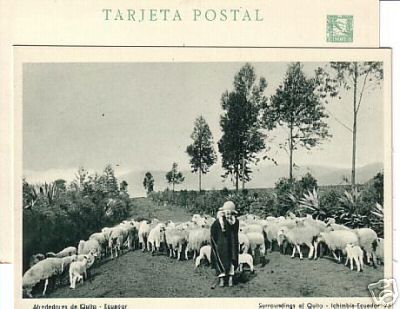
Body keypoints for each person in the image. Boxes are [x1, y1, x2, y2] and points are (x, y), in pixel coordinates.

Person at [210, 201, 239, 287]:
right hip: (222, 245)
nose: (228, 215)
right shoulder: (218, 222)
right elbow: (213, 232)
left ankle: (230, 279)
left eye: (230, 213)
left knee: (230, 262)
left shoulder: (234, 222)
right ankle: (222, 279)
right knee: (221, 261)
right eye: (226, 213)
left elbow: (235, 232)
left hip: (230, 245)